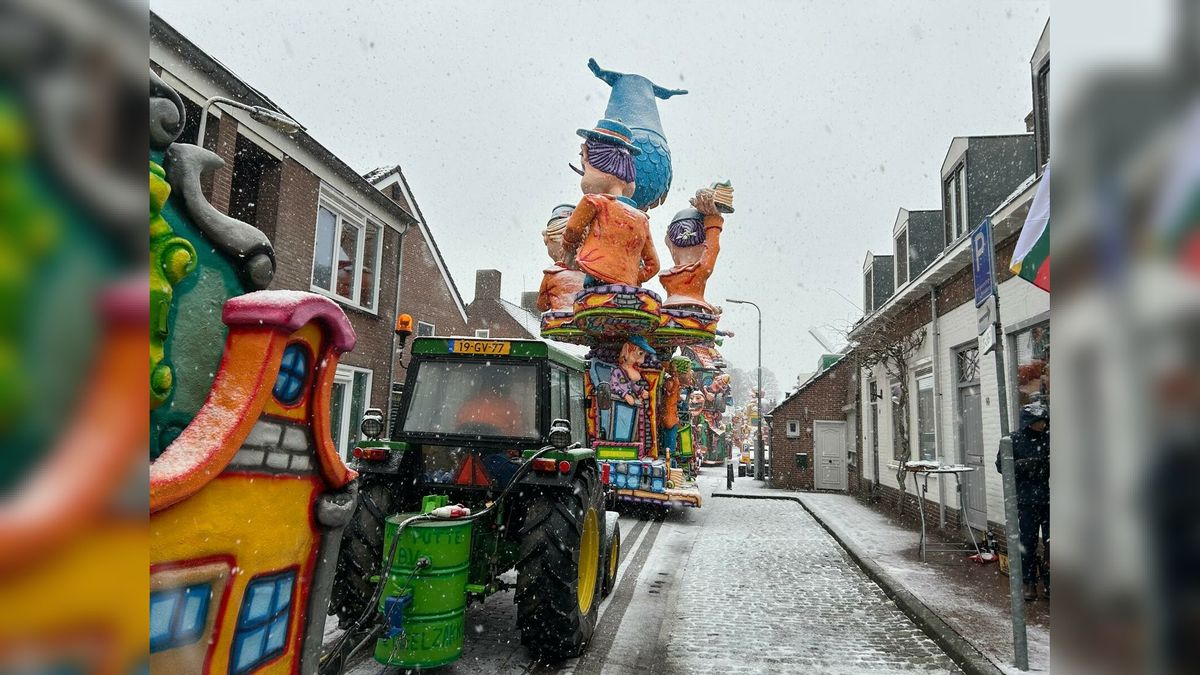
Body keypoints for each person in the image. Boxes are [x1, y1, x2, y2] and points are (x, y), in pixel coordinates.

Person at [562, 119, 660, 289]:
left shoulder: (593, 202)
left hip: (595, 282)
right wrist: (631, 278)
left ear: (586, 155)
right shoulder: (641, 219)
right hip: (626, 288)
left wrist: (570, 247)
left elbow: (572, 230)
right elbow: (653, 265)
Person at [997, 401, 1050, 600]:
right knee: (1027, 541)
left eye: (1044, 421)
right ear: (1029, 422)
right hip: (1027, 500)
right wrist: (1026, 465)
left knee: (1052, 544)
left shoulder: (1050, 438)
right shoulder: (1013, 440)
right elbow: (1002, 466)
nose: (1043, 425)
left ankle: (1050, 582)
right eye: (1039, 421)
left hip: (1050, 499)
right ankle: (1029, 582)